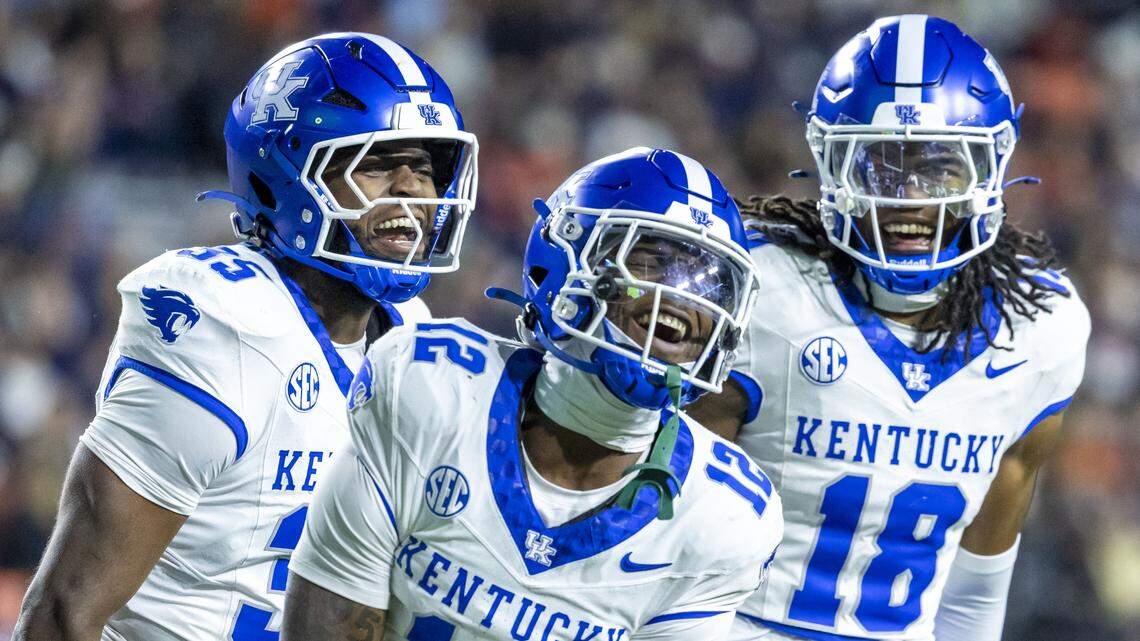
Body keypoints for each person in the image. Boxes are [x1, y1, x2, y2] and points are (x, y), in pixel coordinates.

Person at [14, 32, 477, 641]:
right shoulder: (224, 322)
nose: (413, 189)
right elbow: (64, 611)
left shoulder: (416, 335)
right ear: (278, 178)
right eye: (377, 162)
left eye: (424, 166)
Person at [687, 15, 1090, 641]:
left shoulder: (1040, 328)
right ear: (831, 163)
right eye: (879, 165)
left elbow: (974, 598)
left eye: (939, 168)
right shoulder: (764, 296)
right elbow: (668, 543)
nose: (907, 197)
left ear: (991, 167)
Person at [281, 147, 783, 641]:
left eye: (709, 283)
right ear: (565, 265)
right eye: (653, 264)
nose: (686, 297)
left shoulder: (722, 515)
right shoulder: (431, 388)